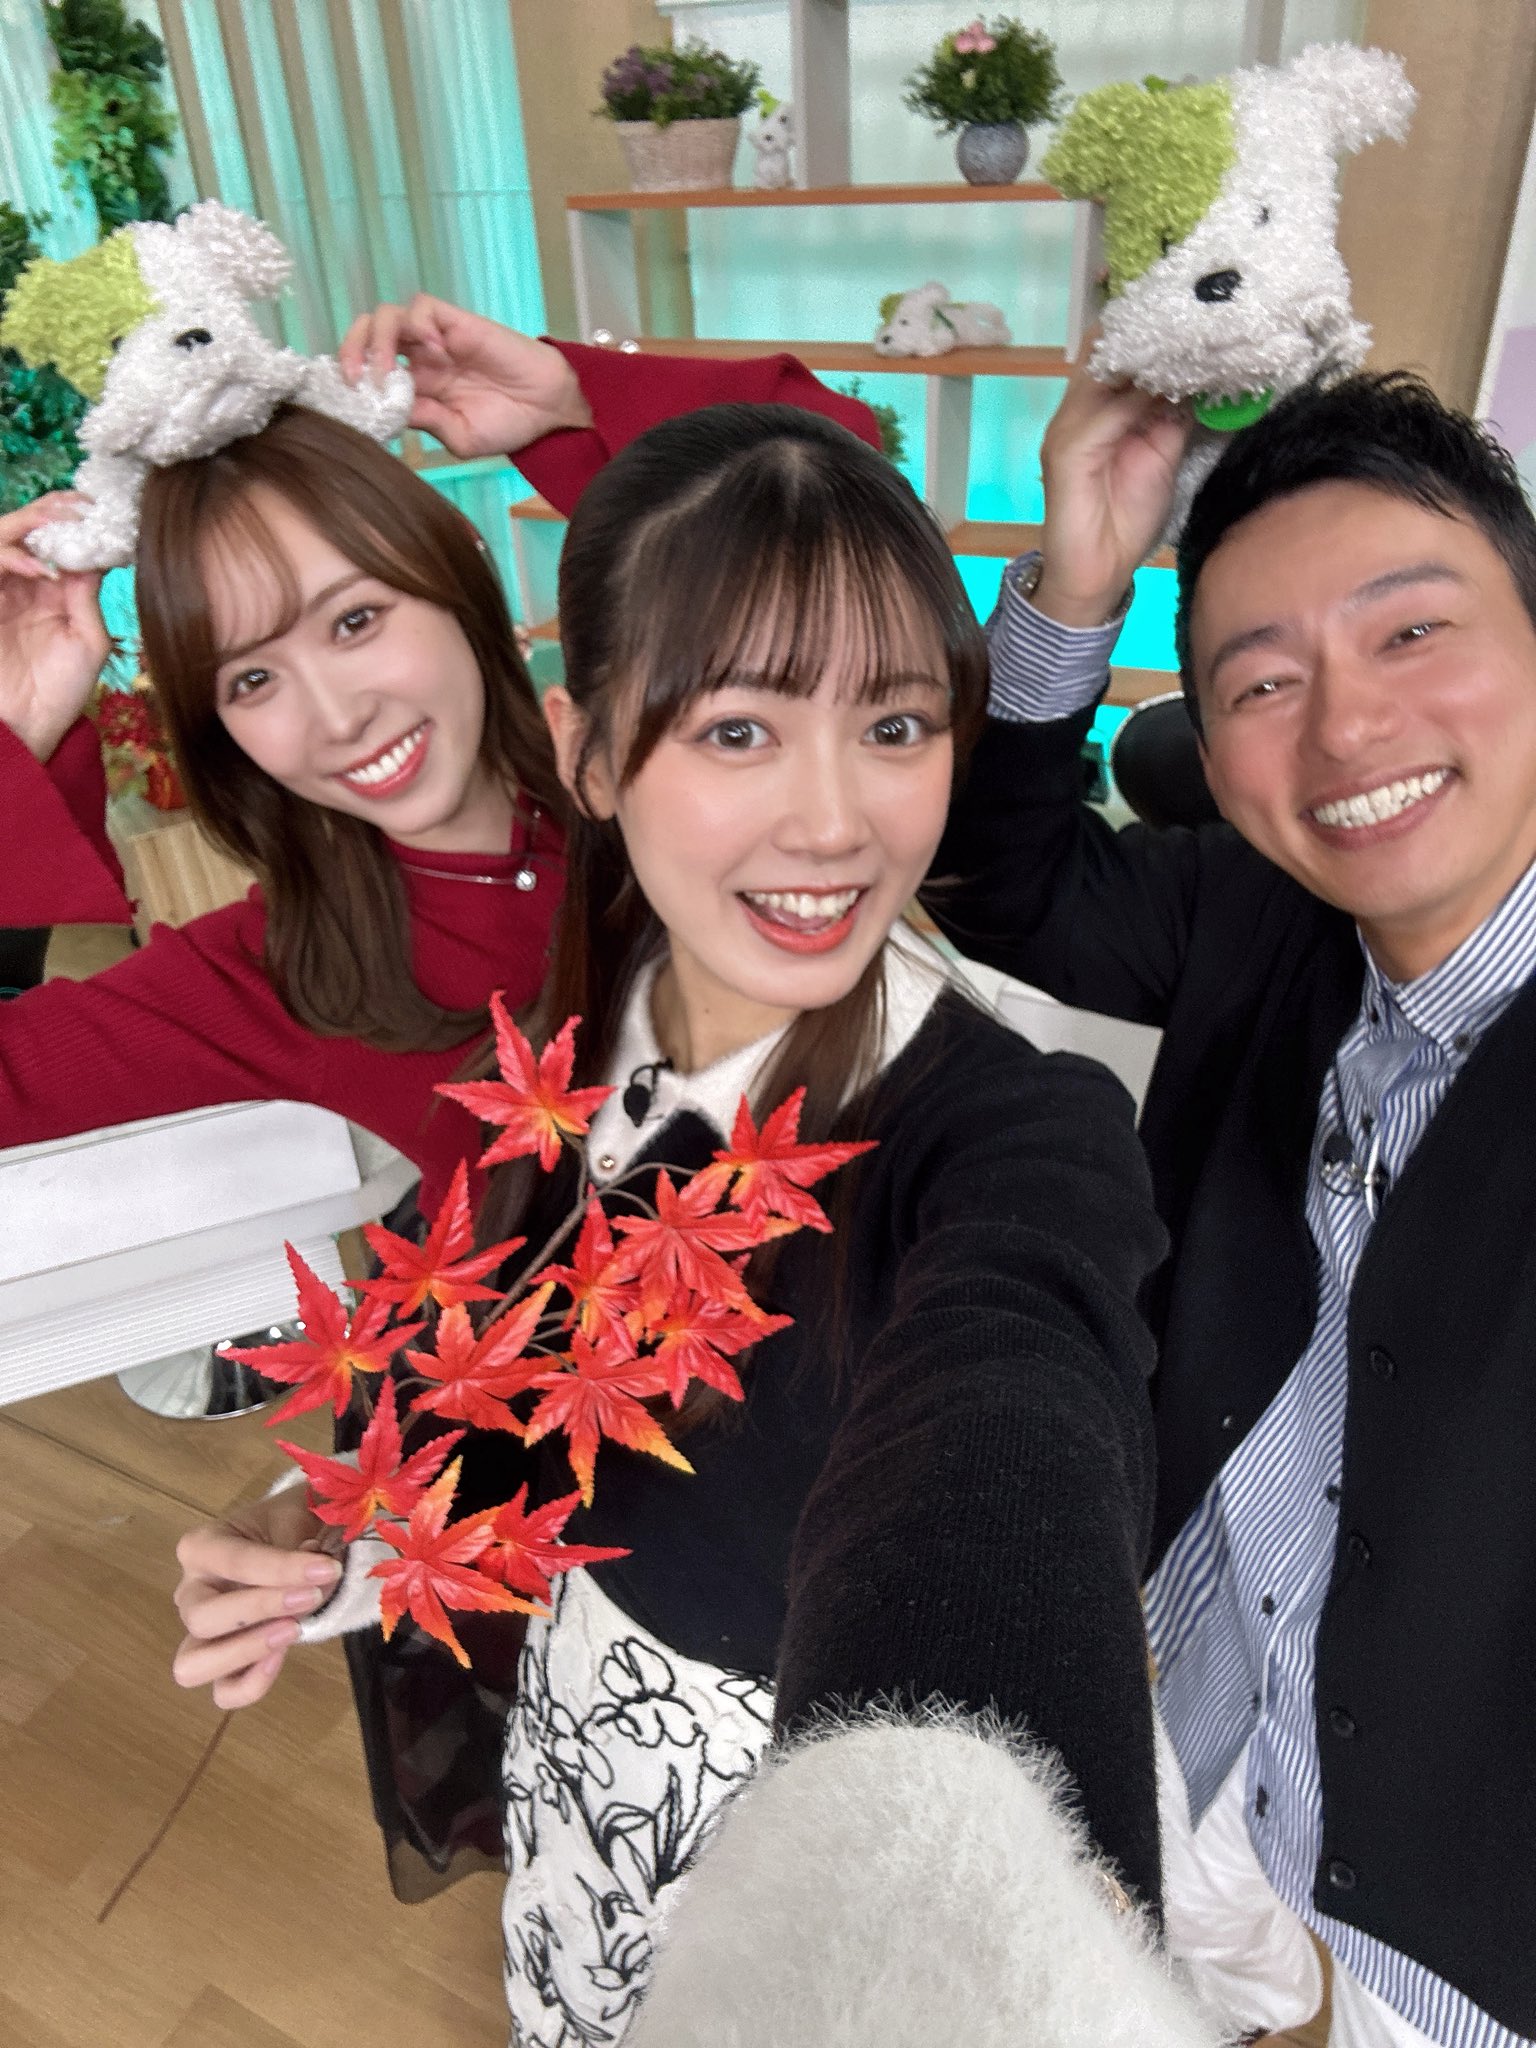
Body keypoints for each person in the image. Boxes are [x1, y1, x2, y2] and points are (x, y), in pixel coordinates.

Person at [170, 401, 1196, 2047]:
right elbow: (514, 1358)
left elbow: (1013, 1422)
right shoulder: (583, 1007)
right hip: (576, 1749)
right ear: (584, 753)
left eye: (895, 724)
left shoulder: (1004, 1131)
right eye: (735, 730)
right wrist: (339, 1521)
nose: (833, 822)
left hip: (801, 1852)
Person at [928, 362, 1536, 2048]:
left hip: (1459, 1903)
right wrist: (1081, 570)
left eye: (1412, 632)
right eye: (1264, 681)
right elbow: (993, 883)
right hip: (1201, 1702)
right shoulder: (1256, 912)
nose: (1346, 729)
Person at [0, 302, 879, 1218]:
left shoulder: (667, 755)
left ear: (456, 563)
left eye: (355, 621)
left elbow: (850, 524)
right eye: (253, 680)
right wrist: (13, 733)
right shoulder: (287, 970)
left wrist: (572, 405)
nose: (339, 717)